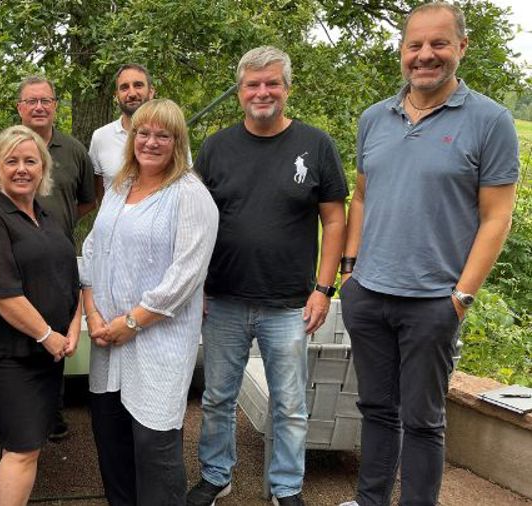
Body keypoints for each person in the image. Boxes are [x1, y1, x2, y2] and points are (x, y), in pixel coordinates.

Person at [339, 3, 518, 506]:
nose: (425, 55)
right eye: (414, 45)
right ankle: (370, 501)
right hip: (368, 294)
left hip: (434, 302)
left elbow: (496, 217)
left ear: (461, 47)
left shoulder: (491, 121)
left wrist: (460, 298)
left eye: (438, 43)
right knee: (376, 411)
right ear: (402, 51)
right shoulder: (375, 118)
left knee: (422, 422)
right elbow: (362, 196)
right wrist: (349, 274)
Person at [188, 46, 348, 506]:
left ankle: (286, 487)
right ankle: (216, 476)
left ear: (287, 88)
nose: (263, 92)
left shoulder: (315, 145)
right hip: (223, 298)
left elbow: (334, 220)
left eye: (272, 83)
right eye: (253, 84)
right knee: (217, 398)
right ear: (240, 91)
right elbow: (194, 221)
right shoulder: (216, 147)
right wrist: (197, 287)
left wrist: (323, 289)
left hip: (289, 303)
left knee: (290, 405)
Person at [82, 98, 218, 505]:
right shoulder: (119, 186)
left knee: (155, 450)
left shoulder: (190, 195)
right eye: (143, 133)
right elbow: (92, 249)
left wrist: (132, 322)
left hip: (158, 345)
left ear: (178, 142)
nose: (151, 142)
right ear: (132, 138)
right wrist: (92, 313)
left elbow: (186, 275)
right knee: (113, 446)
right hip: (108, 342)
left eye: (164, 135)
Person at [0, 125, 82, 506]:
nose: (21, 169)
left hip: (49, 351)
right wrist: (48, 334)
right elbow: (2, 293)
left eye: (30, 161)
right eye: (11, 161)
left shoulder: (46, 216)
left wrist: (73, 326)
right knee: (22, 448)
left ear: (43, 167)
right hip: (12, 354)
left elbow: (71, 277)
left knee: (30, 445)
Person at [13, 74, 97, 439]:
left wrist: (53, 226)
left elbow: (87, 200)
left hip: (57, 259)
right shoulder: (1, 145)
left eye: (45, 101)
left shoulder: (74, 150)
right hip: (13, 258)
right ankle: (7, 412)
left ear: (55, 107)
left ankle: (53, 411)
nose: (38, 107)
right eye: (31, 101)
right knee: (15, 327)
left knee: (57, 330)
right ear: (20, 108)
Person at [89, 64, 156, 198]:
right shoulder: (101, 137)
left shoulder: (169, 135)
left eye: (138, 85)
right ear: (116, 96)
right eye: (124, 88)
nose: (132, 94)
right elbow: (99, 191)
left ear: (151, 92)